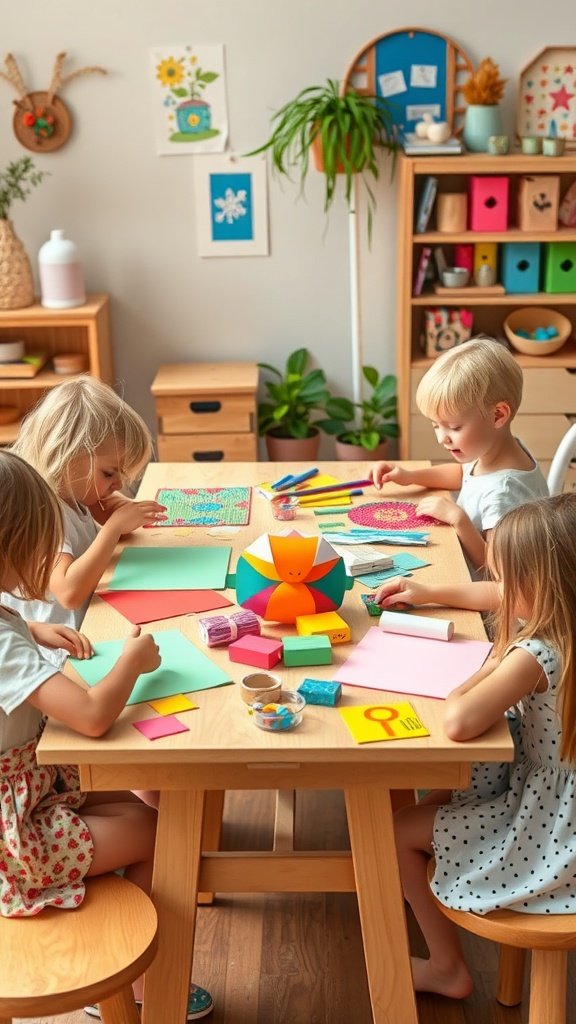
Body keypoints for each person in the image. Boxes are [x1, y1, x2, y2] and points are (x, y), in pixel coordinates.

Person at [0, 450, 213, 1019]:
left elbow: (9, 623)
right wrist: (133, 663)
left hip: (30, 786)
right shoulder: (1, 646)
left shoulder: (5, 623)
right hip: (12, 837)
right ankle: (134, 982)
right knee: (157, 831)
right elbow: (92, 715)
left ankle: (102, 896)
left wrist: (34, 628)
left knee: (129, 796)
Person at [394, 494, 576, 1000]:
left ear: (540, 586)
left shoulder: (538, 654)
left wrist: (491, 664)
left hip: (553, 831)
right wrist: (431, 592)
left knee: (396, 831)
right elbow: (501, 600)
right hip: (558, 810)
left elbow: (458, 721)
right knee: (437, 802)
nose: (498, 590)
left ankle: (447, 967)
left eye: (506, 580)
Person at [2, 376, 166, 666]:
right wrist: (113, 528)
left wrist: (117, 514)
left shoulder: (74, 494)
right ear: (68, 457)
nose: (118, 484)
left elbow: (109, 528)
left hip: (86, 631)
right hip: (57, 658)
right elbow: (68, 592)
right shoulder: (45, 513)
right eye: (108, 474)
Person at [369, 339, 548, 574]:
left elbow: (494, 573)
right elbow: (463, 474)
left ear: (498, 415)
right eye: (436, 425)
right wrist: (410, 475)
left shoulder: (504, 494)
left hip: (482, 599)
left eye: (453, 427)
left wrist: (458, 520)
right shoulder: (497, 449)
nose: (442, 438)